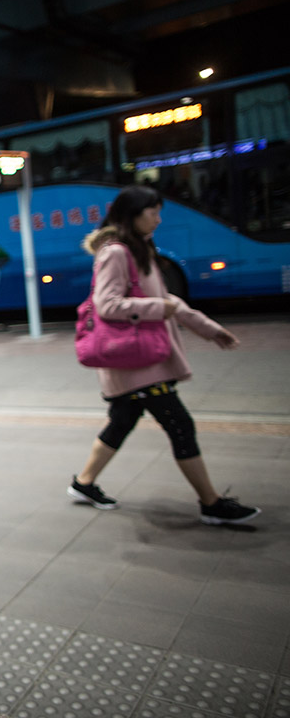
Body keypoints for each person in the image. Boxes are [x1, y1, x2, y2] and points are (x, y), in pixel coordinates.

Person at [68, 185, 260, 525]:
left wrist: (208, 328)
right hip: (137, 362)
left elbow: (167, 299)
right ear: (131, 215)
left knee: (122, 421)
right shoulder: (115, 252)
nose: (158, 219)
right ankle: (211, 503)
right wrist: (161, 307)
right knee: (180, 425)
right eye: (152, 212)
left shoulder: (139, 248)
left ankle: (83, 484)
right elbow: (107, 305)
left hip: (141, 360)